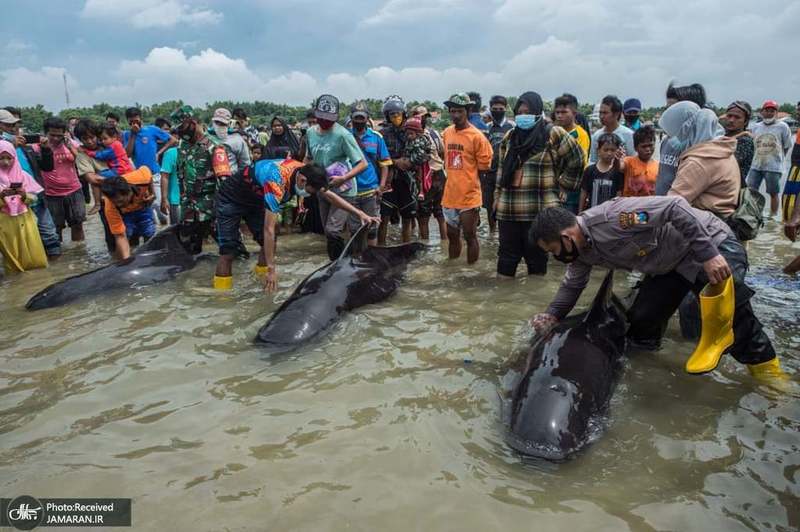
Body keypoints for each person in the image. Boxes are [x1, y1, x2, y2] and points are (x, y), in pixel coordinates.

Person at [529, 196, 784, 384]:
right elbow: (572, 285)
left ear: (566, 236)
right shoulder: (581, 253)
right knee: (641, 322)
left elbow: (674, 207)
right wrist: (553, 315)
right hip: (669, 267)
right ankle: (648, 376)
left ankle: (770, 379)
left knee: (734, 318)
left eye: (553, 250)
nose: (555, 257)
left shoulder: (614, 218)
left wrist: (709, 255)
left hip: (707, 246)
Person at [213, 159, 378, 291]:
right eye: (311, 191)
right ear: (302, 179)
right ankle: (222, 298)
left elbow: (331, 196)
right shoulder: (276, 183)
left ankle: (261, 282)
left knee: (268, 243)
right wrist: (273, 269)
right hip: (232, 197)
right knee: (228, 251)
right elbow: (268, 229)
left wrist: (360, 213)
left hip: (256, 199)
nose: (309, 195)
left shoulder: (306, 172)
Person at [494, 91, 584, 277]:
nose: (522, 116)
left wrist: (564, 186)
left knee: (537, 262)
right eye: (519, 112)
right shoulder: (510, 138)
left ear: (537, 112)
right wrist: (496, 198)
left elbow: (577, 159)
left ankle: (535, 305)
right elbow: (501, 172)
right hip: (509, 210)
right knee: (505, 262)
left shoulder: (553, 134)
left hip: (540, 212)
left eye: (527, 111)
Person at [303, 94, 368, 260]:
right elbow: (308, 158)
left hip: (343, 188)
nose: (325, 122)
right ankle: (339, 261)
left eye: (329, 119)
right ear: (316, 116)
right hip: (322, 187)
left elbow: (362, 164)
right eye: (322, 118)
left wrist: (344, 178)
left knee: (333, 230)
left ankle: (342, 264)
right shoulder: (310, 133)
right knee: (328, 231)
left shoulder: (343, 135)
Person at [0, 108, 61, 258]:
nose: (13, 129)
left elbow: (47, 167)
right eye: (8, 125)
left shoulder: (25, 146)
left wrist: (46, 149)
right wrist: (10, 146)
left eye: (15, 125)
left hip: (33, 195)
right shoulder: (6, 147)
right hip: (9, 203)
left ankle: (57, 271)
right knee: (19, 242)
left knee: (49, 234)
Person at [441, 93, 493, 264]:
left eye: (460, 111)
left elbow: (484, 168)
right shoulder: (447, 133)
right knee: (452, 236)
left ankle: (471, 270)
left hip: (469, 196)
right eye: (453, 111)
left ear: (468, 111)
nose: (456, 115)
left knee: (470, 236)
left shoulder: (477, 136)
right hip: (450, 195)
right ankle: (452, 267)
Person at [175, 109, 230, 254]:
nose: (184, 134)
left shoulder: (214, 146)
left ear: (196, 124)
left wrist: (222, 209)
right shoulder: (183, 146)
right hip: (188, 207)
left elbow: (224, 180)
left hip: (209, 207)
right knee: (188, 250)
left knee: (229, 247)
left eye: (185, 128)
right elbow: (180, 173)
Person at [33, 117, 86, 243]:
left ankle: (79, 255)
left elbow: (84, 161)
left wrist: (70, 146)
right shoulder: (37, 147)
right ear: (45, 133)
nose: (56, 138)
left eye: (59, 135)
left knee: (78, 224)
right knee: (56, 228)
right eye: (52, 135)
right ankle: (60, 258)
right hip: (51, 194)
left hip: (74, 190)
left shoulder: (71, 144)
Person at [0, 140, 47, 273]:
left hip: (26, 218)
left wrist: (24, 195)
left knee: (34, 251)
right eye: (1, 158)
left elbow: (34, 198)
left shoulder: (23, 175)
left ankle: (36, 281)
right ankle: (16, 282)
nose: (5, 162)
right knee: (12, 256)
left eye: (9, 158)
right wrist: (1, 197)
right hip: (4, 221)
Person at [123, 107, 176, 225]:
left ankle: (164, 225)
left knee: (158, 203)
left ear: (141, 119)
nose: (134, 124)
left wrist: (159, 152)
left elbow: (172, 140)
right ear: (128, 121)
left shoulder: (151, 130)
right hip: (140, 177)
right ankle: (155, 229)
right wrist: (133, 134)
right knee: (146, 205)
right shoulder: (127, 134)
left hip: (155, 173)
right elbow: (127, 154)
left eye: (136, 121)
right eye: (131, 122)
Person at [349, 102, 390, 247]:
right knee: (354, 230)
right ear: (351, 118)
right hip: (351, 190)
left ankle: (371, 260)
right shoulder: (345, 137)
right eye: (356, 118)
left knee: (372, 228)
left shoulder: (376, 137)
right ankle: (356, 259)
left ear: (367, 119)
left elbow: (384, 164)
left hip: (371, 190)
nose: (359, 121)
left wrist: (382, 185)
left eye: (362, 118)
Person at [656, 82, 708, 195]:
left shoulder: (701, 148)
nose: (667, 116)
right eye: (666, 109)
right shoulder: (666, 142)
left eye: (672, 110)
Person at [378, 95, 416, 245]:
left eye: (398, 114)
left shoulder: (411, 132)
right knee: (384, 218)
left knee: (407, 219)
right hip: (389, 180)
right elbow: (378, 157)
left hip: (407, 180)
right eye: (392, 114)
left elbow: (421, 155)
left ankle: (406, 248)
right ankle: (381, 248)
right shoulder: (382, 134)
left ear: (404, 114)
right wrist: (394, 162)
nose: (396, 117)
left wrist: (408, 162)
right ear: (387, 116)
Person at [747, 100, 792, 218]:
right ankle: (753, 215)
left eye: (772, 111)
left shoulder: (783, 127)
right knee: (751, 191)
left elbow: (787, 146)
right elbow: (753, 145)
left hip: (774, 167)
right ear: (762, 112)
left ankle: (772, 217)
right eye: (767, 110)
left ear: (776, 113)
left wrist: (779, 160)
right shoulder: (756, 127)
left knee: (773, 193)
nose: (769, 113)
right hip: (755, 165)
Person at [100, 170, 156, 260]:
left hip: (142, 207)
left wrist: (152, 193)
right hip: (125, 214)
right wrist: (127, 263)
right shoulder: (110, 206)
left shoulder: (141, 177)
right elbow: (120, 235)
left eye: (120, 201)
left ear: (128, 192)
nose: (118, 205)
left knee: (149, 232)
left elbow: (148, 175)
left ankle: (149, 255)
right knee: (129, 234)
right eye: (115, 203)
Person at [412, 105, 448, 242]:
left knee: (435, 213)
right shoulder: (432, 133)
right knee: (428, 214)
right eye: (419, 116)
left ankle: (436, 245)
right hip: (432, 174)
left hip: (431, 175)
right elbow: (441, 153)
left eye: (423, 117)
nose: (422, 119)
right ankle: (434, 245)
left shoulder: (427, 134)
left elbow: (442, 152)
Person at [554, 94, 591, 213]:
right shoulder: (554, 132)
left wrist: (563, 186)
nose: (560, 115)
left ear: (574, 113)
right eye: (557, 112)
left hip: (571, 189)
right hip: (553, 187)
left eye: (564, 112)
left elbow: (578, 164)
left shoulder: (580, 135)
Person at [483, 95, 514, 232]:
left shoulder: (512, 127)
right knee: (490, 207)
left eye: (500, 108)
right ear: (490, 109)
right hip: (489, 173)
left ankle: (503, 233)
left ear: (506, 109)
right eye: (494, 109)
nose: (497, 111)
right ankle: (492, 234)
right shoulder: (487, 128)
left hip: (507, 173)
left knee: (506, 205)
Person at [402, 117, 433, 239]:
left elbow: (420, 156)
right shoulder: (413, 140)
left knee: (419, 177)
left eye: (411, 134)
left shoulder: (419, 141)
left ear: (418, 133)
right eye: (408, 134)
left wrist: (409, 161)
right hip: (415, 167)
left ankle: (420, 191)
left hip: (419, 166)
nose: (409, 136)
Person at [578, 133, 624, 212]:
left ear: (617, 151)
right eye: (605, 150)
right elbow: (584, 192)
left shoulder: (618, 172)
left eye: (612, 150)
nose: (609, 153)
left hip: (609, 214)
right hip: (591, 213)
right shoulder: (590, 170)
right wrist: (580, 212)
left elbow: (618, 194)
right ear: (598, 151)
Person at [589, 95, 635, 163]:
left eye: (605, 113)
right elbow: (593, 161)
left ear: (616, 114)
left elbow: (633, 161)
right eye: (600, 113)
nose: (601, 116)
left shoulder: (629, 135)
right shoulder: (596, 136)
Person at [210, 108, 251, 175]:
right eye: (217, 122)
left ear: (228, 124)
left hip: (231, 181)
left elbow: (245, 165)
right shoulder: (207, 138)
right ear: (213, 122)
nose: (220, 125)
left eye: (223, 123)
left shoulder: (238, 140)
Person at [620, 126, 658, 197]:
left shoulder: (658, 166)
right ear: (635, 148)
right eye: (644, 146)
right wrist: (617, 158)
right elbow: (619, 167)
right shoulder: (628, 161)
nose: (648, 149)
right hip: (630, 206)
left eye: (650, 145)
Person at [723, 101, 755, 185]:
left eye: (737, 117)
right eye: (729, 116)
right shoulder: (723, 136)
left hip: (732, 188)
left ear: (745, 121)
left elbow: (726, 165)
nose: (731, 120)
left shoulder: (744, 140)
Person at [781, 101, 800, 228]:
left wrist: (796, 215)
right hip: (795, 168)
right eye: (798, 109)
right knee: (787, 202)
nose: (798, 113)